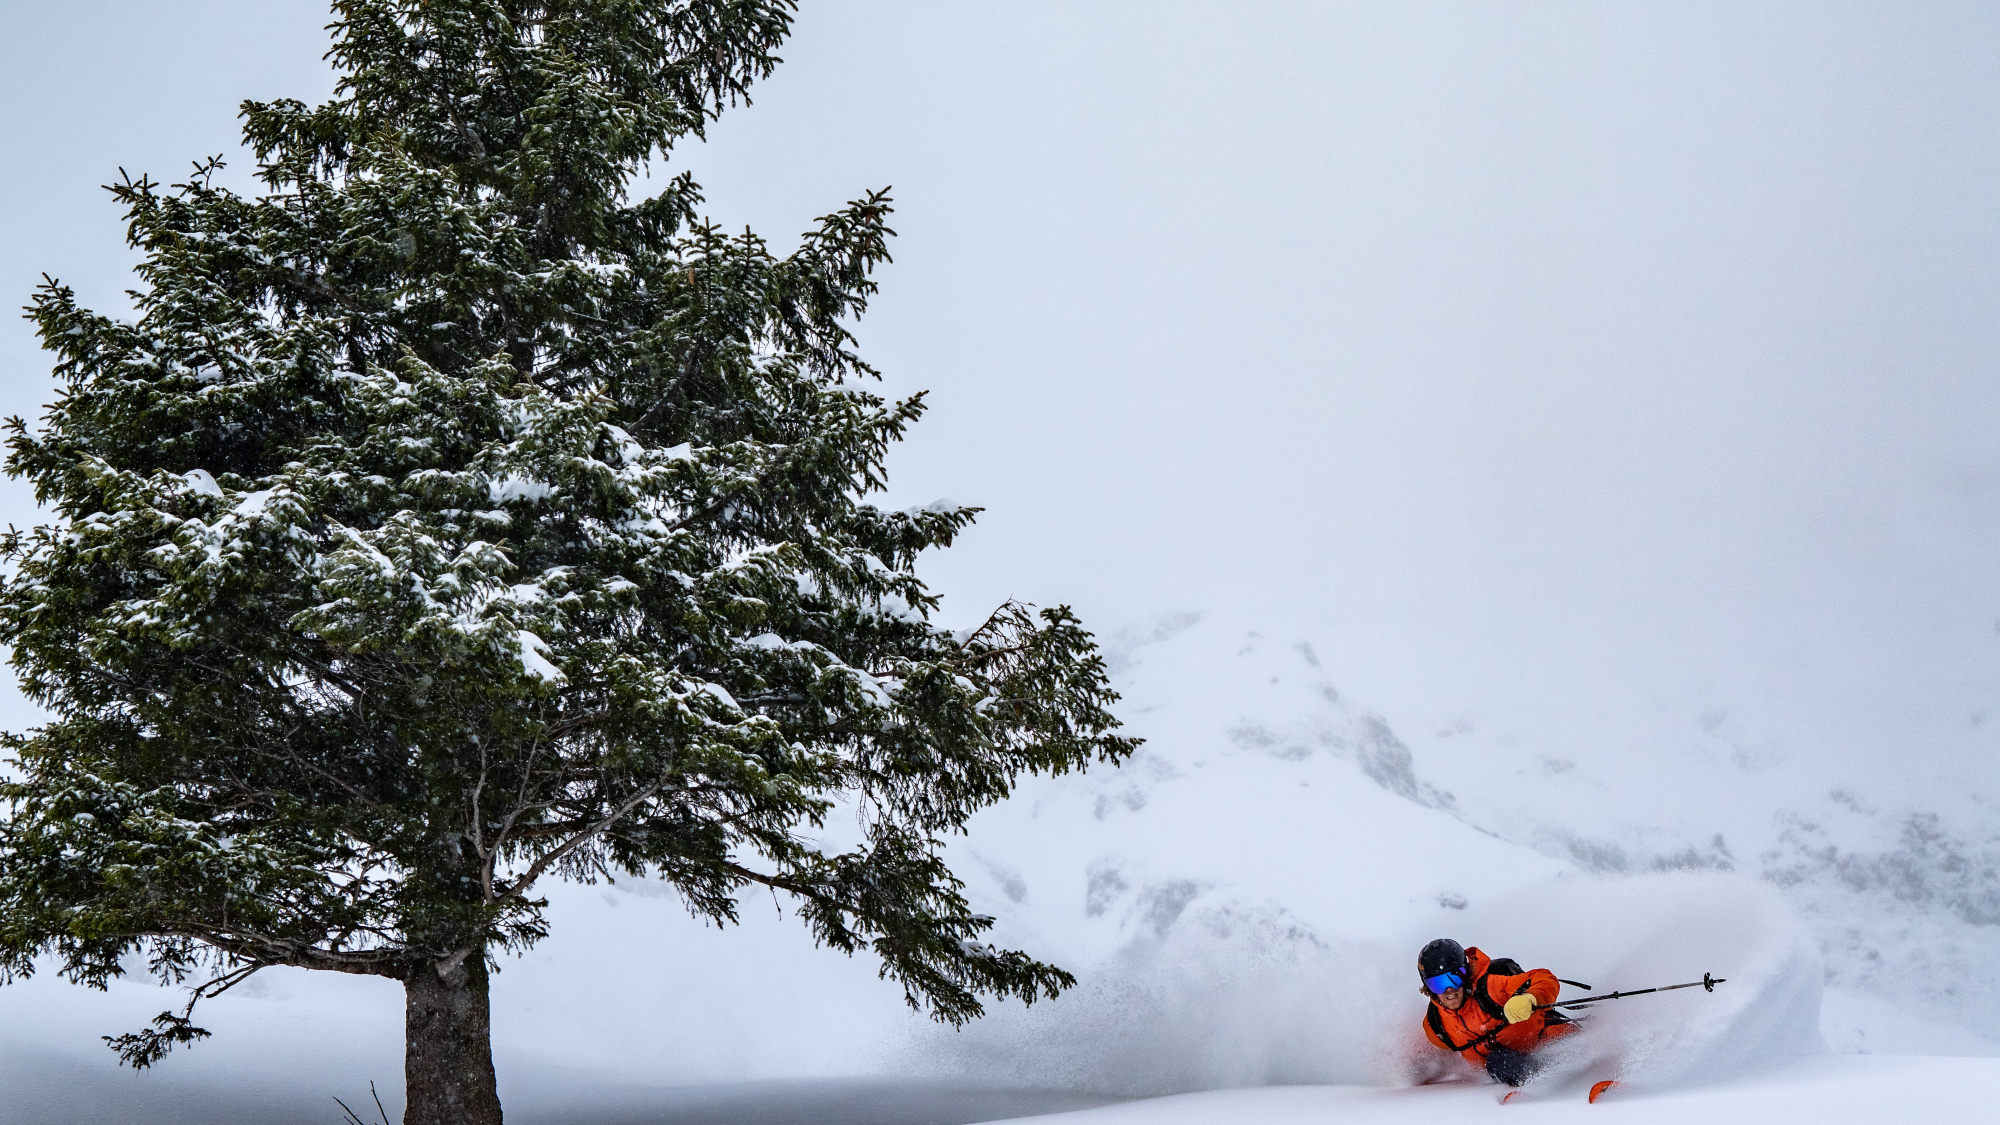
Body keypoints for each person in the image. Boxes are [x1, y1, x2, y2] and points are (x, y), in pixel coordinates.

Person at [1417, 937, 1579, 1087]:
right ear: (1427, 987)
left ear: (1467, 973)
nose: (1449, 989)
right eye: (1437, 984)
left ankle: (1558, 1086)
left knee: (1499, 1060)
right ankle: (1537, 1087)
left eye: (1455, 977)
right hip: (1510, 1070)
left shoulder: (1491, 988)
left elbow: (1543, 977)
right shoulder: (1436, 1025)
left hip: (1556, 1043)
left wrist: (1531, 997)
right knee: (1498, 1061)